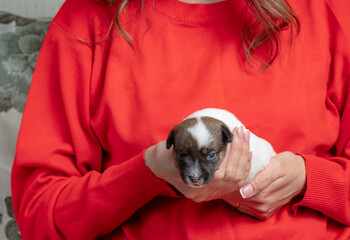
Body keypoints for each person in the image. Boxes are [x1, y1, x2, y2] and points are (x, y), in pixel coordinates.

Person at [11, 0, 350, 238]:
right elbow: (40, 214)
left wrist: (308, 180)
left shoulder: (330, 11)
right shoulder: (88, 20)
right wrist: (145, 175)